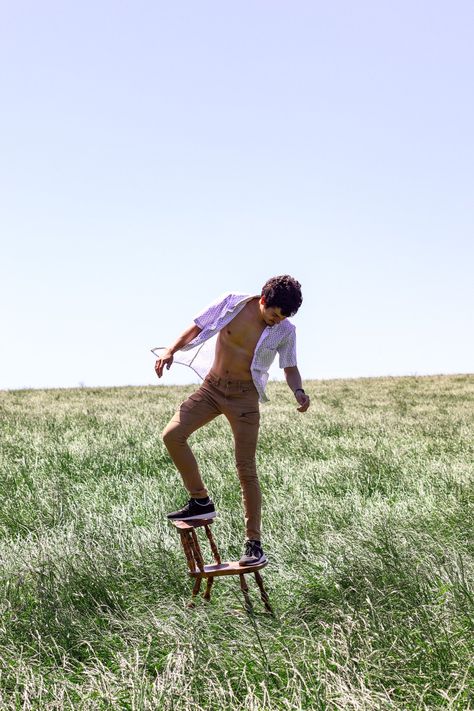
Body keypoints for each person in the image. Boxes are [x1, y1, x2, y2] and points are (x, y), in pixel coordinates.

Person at [155, 275, 310, 566]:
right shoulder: (232, 303)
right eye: (274, 314)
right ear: (263, 300)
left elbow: (290, 366)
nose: (277, 321)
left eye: (283, 317)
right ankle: (200, 501)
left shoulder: (286, 331)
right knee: (172, 435)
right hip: (212, 389)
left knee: (246, 469)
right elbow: (198, 326)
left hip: (244, 399)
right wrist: (170, 350)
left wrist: (298, 391)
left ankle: (254, 544)